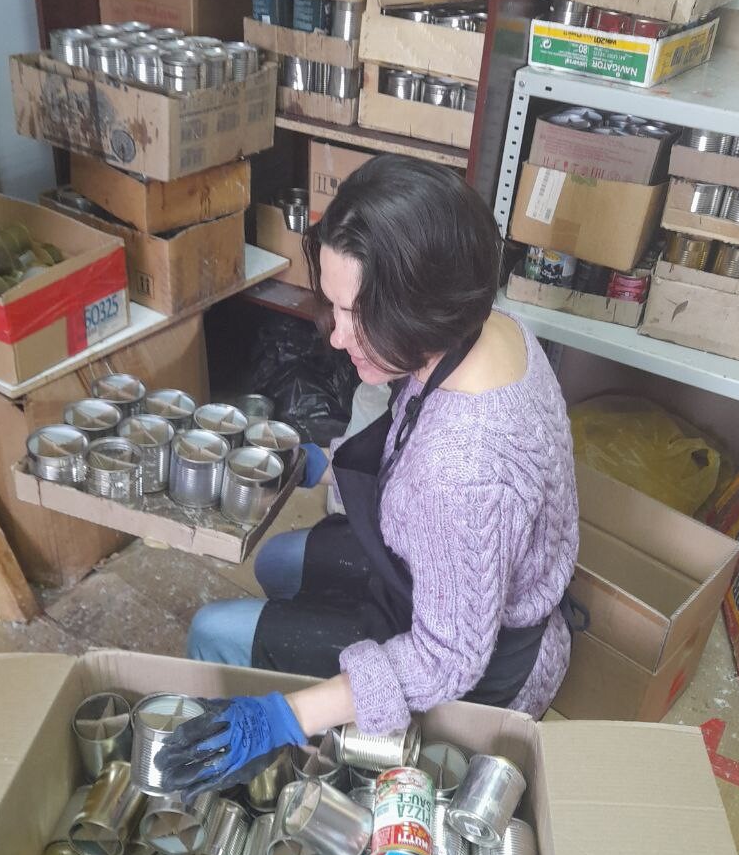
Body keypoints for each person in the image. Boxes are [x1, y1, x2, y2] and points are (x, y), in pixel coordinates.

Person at [156, 156, 580, 796]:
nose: (336, 337)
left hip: (486, 666)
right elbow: (417, 443)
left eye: (356, 313)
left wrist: (286, 715)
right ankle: (299, 667)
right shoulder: (489, 325)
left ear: (423, 306)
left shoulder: (461, 468)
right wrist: (321, 463)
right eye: (334, 306)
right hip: (451, 580)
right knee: (277, 562)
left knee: (213, 631)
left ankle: (251, 770)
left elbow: (448, 658)